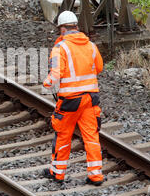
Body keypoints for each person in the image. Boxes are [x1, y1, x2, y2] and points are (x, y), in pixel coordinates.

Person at [42, 10, 104, 185]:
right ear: (76, 27)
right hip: (91, 99)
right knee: (91, 136)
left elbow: (55, 75)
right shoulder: (91, 46)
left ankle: (57, 173)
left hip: (70, 101)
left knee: (63, 135)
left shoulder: (60, 48)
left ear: (62, 28)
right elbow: (98, 67)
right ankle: (96, 175)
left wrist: (46, 84)